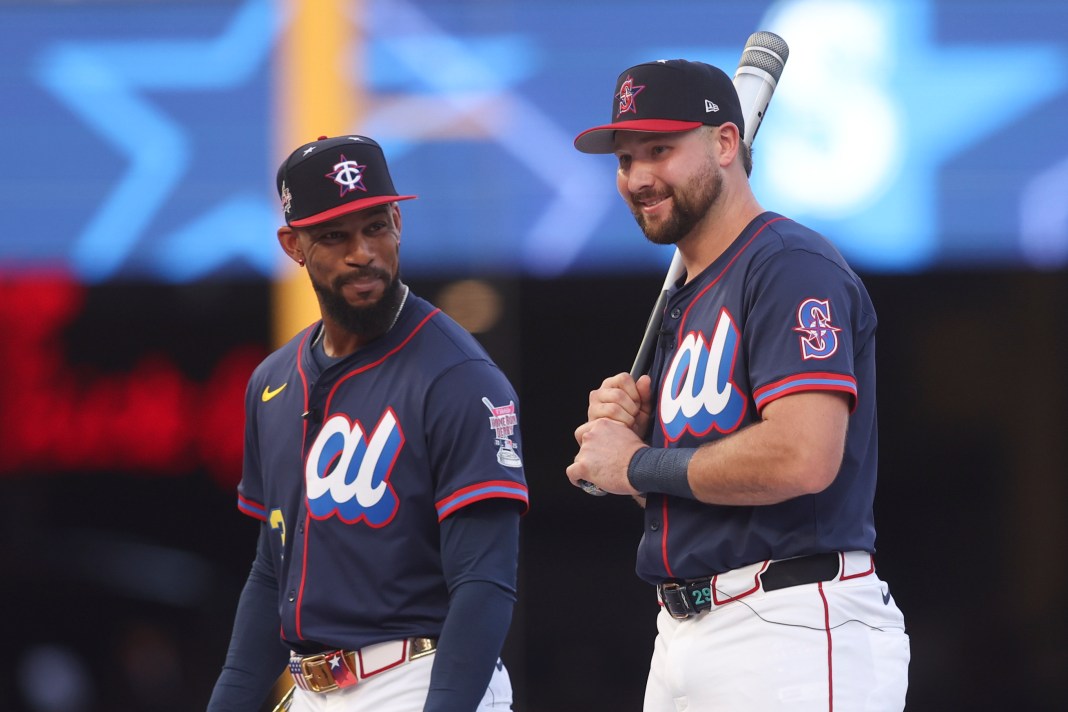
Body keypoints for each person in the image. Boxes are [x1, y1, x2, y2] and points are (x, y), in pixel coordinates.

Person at [565, 59, 910, 710]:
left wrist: (637, 463)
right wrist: (632, 455)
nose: (638, 177)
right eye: (625, 160)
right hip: (686, 630)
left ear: (726, 143)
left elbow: (803, 457)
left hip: (793, 626)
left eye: (660, 150)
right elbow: (696, 498)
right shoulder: (687, 298)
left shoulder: (787, 267)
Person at [207, 135, 529, 712]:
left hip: (417, 676)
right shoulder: (272, 383)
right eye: (335, 235)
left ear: (398, 222)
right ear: (294, 245)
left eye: (375, 226)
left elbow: (485, 583)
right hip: (311, 690)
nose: (363, 252)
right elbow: (269, 572)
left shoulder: (458, 376)